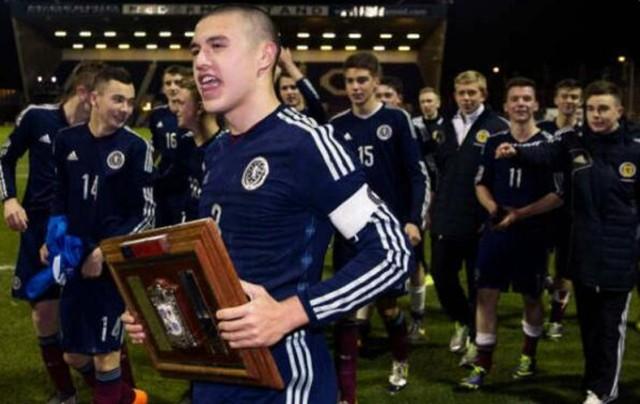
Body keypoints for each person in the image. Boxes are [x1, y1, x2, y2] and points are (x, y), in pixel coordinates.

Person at [123, 5, 412, 404]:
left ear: (264, 56)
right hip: (217, 374)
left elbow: (392, 253)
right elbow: (223, 265)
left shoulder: (306, 144)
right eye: (195, 51)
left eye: (217, 46)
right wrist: (164, 311)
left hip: (284, 381)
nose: (200, 62)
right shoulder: (218, 150)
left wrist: (290, 313)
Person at [495, 80, 639, 404]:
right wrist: (517, 151)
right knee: (589, 326)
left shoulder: (635, 150)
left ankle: (604, 392)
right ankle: (593, 381)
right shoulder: (574, 142)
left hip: (619, 254)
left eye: (603, 109)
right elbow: (544, 151)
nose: (596, 114)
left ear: (619, 111)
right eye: (591, 109)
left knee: (610, 329)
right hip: (583, 251)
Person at [0, 61, 104, 404]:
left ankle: (111, 391)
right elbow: (4, 158)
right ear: (83, 93)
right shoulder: (37, 118)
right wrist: (9, 199)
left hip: (79, 234)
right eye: (100, 94)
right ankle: (66, 393)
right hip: (37, 233)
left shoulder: (100, 131)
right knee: (44, 315)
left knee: (92, 318)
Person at [50, 65, 153, 404]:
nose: (126, 109)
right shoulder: (67, 140)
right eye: (117, 99)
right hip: (75, 261)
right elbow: (60, 196)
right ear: (94, 98)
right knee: (74, 355)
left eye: (130, 102)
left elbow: (145, 215)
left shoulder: (135, 147)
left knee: (106, 354)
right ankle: (128, 398)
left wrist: (104, 251)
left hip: (112, 267)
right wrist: (53, 238)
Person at [331, 52, 429, 400]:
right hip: (349, 232)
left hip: (387, 233)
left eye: (362, 80)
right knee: (346, 310)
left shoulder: (396, 119)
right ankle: (347, 392)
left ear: (375, 81)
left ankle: (400, 361)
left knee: (388, 308)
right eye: (350, 81)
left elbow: (417, 175)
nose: (355, 87)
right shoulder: (337, 125)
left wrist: (413, 220)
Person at [459, 77, 563, 390]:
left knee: (531, 297)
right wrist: (494, 210)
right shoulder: (493, 141)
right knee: (486, 294)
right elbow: (480, 183)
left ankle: (528, 356)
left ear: (536, 104)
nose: (520, 104)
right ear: (505, 106)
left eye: (526, 98)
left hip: (533, 233)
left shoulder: (550, 144)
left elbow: (558, 195)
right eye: (515, 99)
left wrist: (519, 214)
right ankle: (482, 364)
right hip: (497, 231)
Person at [428, 71, 509, 366]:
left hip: (480, 222)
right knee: (441, 276)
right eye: (461, 93)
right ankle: (462, 320)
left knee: (479, 287)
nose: (466, 98)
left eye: (472, 92)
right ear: (454, 95)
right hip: (446, 218)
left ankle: (476, 339)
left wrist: (494, 213)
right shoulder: (444, 127)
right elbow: (437, 172)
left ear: (483, 94)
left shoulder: (498, 127)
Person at [537, 78, 583, 340]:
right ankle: (538, 303)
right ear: (556, 100)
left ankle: (555, 320)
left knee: (564, 269)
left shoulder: (586, 132)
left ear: (580, 101)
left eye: (574, 97)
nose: (569, 101)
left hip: (572, 211)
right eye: (565, 96)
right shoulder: (542, 129)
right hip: (542, 207)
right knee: (536, 263)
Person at [408, 86, 444, 342]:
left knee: (437, 243)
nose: (427, 105)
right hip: (420, 193)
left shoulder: (447, 126)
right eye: (423, 101)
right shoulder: (414, 125)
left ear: (438, 102)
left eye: (430, 101)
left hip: (442, 193)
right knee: (416, 253)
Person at [149, 65, 194, 226]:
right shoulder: (157, 115)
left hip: (187, 180)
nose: (173, 87)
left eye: (178, 82)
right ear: (162, 88)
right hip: (164, 180)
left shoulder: (193, 113)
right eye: (168, 83)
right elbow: (155, 146)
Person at [174, 77, 224, 221]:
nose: (176, 110)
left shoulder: (225, 150)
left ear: (200, 108)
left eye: (181, 103)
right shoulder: (186, 144)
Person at [275, 47, 327, 123]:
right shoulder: (277, 118)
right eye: (284, 88)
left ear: (301, 90)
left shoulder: (314, 115)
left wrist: (289, 64)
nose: (289, 92)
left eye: (293, 87)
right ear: (279, 92)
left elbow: (314, 99)